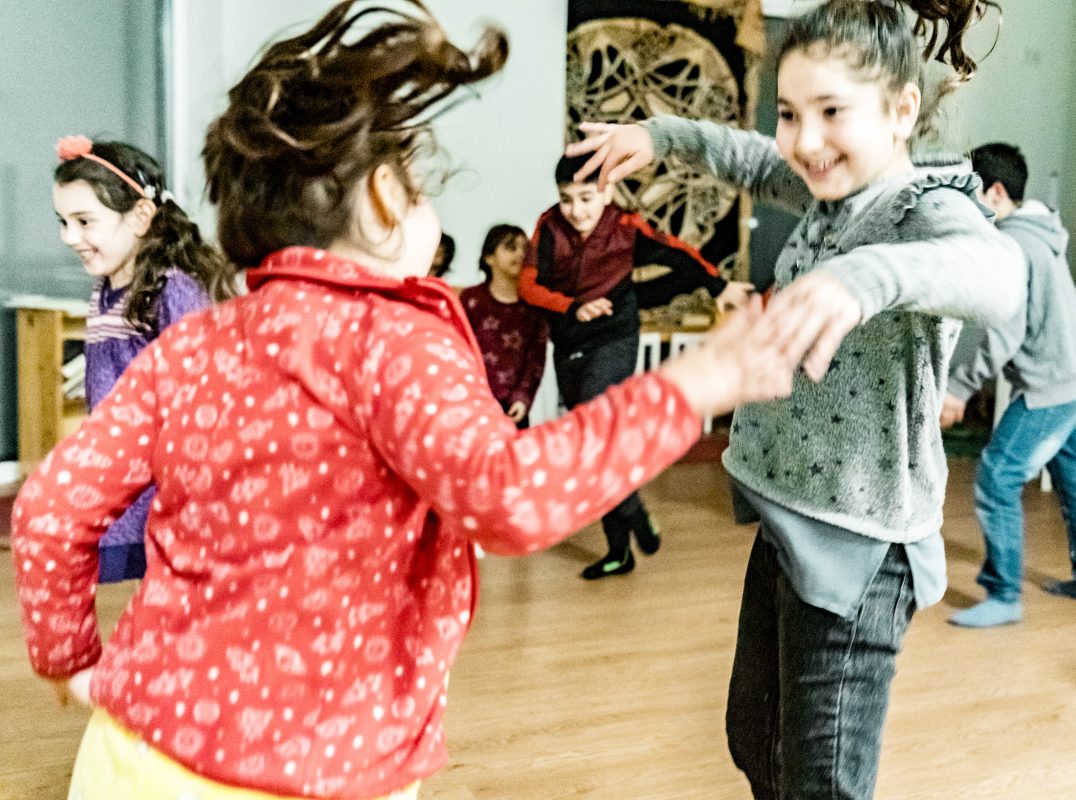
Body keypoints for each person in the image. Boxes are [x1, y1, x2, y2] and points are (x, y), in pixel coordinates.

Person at [12, 3, 806, 798]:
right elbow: (510, 497)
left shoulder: (192, 346)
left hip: (138, 754)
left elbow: (48, 512)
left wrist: (69, 659)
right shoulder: (393, 340)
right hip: (327, 769)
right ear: (388, 197)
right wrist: (696, 384)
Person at [567, 0, 1023, 795]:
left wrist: (868, 276)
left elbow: (997, 276)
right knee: (754, 737)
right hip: (788, 519)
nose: (805, 140)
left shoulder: (926, 208)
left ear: (901, 109)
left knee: (822, 780)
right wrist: (661, 134)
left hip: (861, 549)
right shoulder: (825, 187)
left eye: (832, 112)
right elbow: (745, 157)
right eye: (789, 112)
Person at [520, 153, 755, 579]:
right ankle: (619, 550)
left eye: (587, 198)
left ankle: (634, 512)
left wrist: (717, 286)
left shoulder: (625, 227)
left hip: (614, 339)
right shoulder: (549, 226)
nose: (577, 210)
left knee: (595, 426)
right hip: (569, 339)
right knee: (594, 443)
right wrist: (572, 307)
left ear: (606, 191)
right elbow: (528, 285)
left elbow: (679, 253)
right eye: (568, 199)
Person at [941, 142, 1076, 628]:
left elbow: (1006, 333)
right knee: (1075, 471)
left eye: (970, 193)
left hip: (1056, 383)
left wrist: (958, 387)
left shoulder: (1012, 245)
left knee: (997, 473)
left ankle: (1004, 595)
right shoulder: (1041, 232)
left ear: (995, 192)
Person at [52, 135, 236, 582]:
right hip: (125, 478)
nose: (70, 237)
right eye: (63, 221)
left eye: (84, 221)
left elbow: (205, 395)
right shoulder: (106, 289)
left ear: (139, 217)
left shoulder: (174, 289)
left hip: (170, 486)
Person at [461, 224, 547, 428]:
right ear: (489, 258)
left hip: (513, 410)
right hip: (474, 403)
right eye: (510, 247)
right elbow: (460, 349)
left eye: (524, 248)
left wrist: (522, 398)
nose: (520, 254)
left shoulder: (535, 306)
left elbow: (535, 359)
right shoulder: (471, 300)